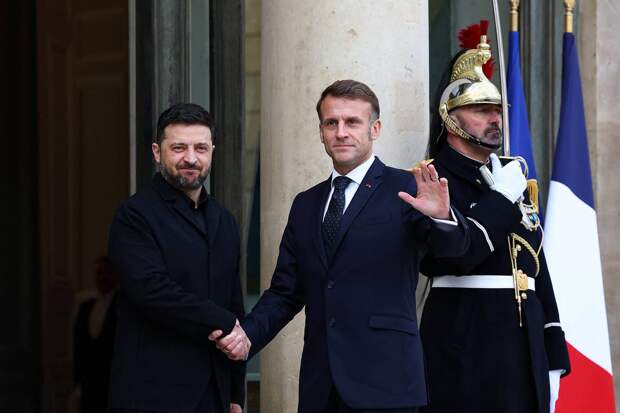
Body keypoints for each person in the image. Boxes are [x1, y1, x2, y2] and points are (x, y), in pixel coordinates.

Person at [211, 79, 475, 413]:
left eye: (352, 122)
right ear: (321, 132)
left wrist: (443, 218)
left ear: (375, 129)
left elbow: (452, 253)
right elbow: (285, 292)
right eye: (331, 123)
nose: (341, 132)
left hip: (386, 385)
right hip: (321, 386)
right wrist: (248, 335)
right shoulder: (306, 204)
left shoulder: (407, 188)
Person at [418, 36, 570, 413]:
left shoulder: (510, 176)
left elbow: (534, 267)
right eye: (481, 110)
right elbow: (455, 256)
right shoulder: (432, 180)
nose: (495, 119)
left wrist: (553, 352)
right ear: (450, 117)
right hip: (467, 344)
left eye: (498, 110)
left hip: (524, 346)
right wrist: (500, 199)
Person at [107, 103, 247, 413]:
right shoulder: (135, 215)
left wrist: (236, 393)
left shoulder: (225, 221)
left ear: (212, 152)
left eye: (201, 148)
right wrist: (222, 321)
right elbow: (152, 291)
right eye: (179, 148)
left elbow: (233, 304)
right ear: (157, 152)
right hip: (153, 396)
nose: (191, 158)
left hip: (214, 395)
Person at [73, 256, 119, 413]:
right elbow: (78, 346)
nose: (102, 277)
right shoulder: (85, 306)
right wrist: (77, 382)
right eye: (99, 273)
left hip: (112, 385)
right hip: (88, 385)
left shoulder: (123, 307)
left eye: (107, 273)